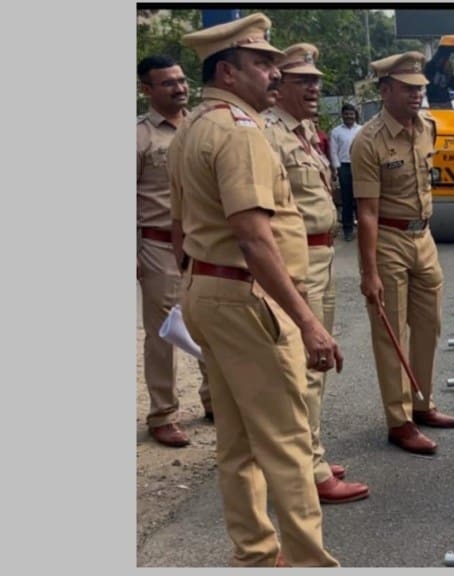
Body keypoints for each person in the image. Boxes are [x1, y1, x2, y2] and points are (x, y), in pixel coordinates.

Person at [168, 13, 340, 566]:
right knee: (288, 442)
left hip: (210, 292)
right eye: (262, 62)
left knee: (238, 442)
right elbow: (253, 238)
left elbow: (181, 225)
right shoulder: (239, 134)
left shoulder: (196, 124)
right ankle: (308, 561)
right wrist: (308, 322)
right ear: (228, 71)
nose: (274, 72)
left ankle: (257, 554)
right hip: (246, 298)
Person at [262, 42, 370, 506]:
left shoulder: (306, 130)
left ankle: (312, 451)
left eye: (316, 80)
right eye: (302, 79)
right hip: (295, 261)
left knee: (318, 366)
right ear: (277, 84)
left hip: (321, 258)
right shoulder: (266, 134)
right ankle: (309, 468)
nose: (314, 87)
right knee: (302, 367)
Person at [350, 51, 454, 456]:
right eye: (408, 88)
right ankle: (399, 421)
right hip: (390, 241)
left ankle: (422, 401)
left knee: (429, 325)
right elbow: (367, 211)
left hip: (423, 238)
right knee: (391, 331)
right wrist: (368, 271)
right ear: (385, 90)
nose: (417, 95)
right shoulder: (369, 140)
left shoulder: (428, 128)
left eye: (420, 88)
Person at [137, 54, 212, 447]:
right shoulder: (139, 137)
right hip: (159, 246)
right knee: (163, 334)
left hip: (204, 245)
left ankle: (214, 398)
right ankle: (163, 414)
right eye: (167, 83)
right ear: (146, 90)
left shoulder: (201, 127)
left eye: (182, 80)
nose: (179, 87)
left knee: (209, 321)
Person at [329, 103, 362, 241]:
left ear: (355, 115)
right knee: (347, 199)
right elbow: (333, 151)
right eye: (347, 114)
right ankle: (348, 229)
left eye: (352, 114)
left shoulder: (362, 129)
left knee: (361, 198)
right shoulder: (336, 132)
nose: (349, 116)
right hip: (344, 167)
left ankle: (363, 227)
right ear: (342, 115)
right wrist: (337, 168)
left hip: (360, 166)